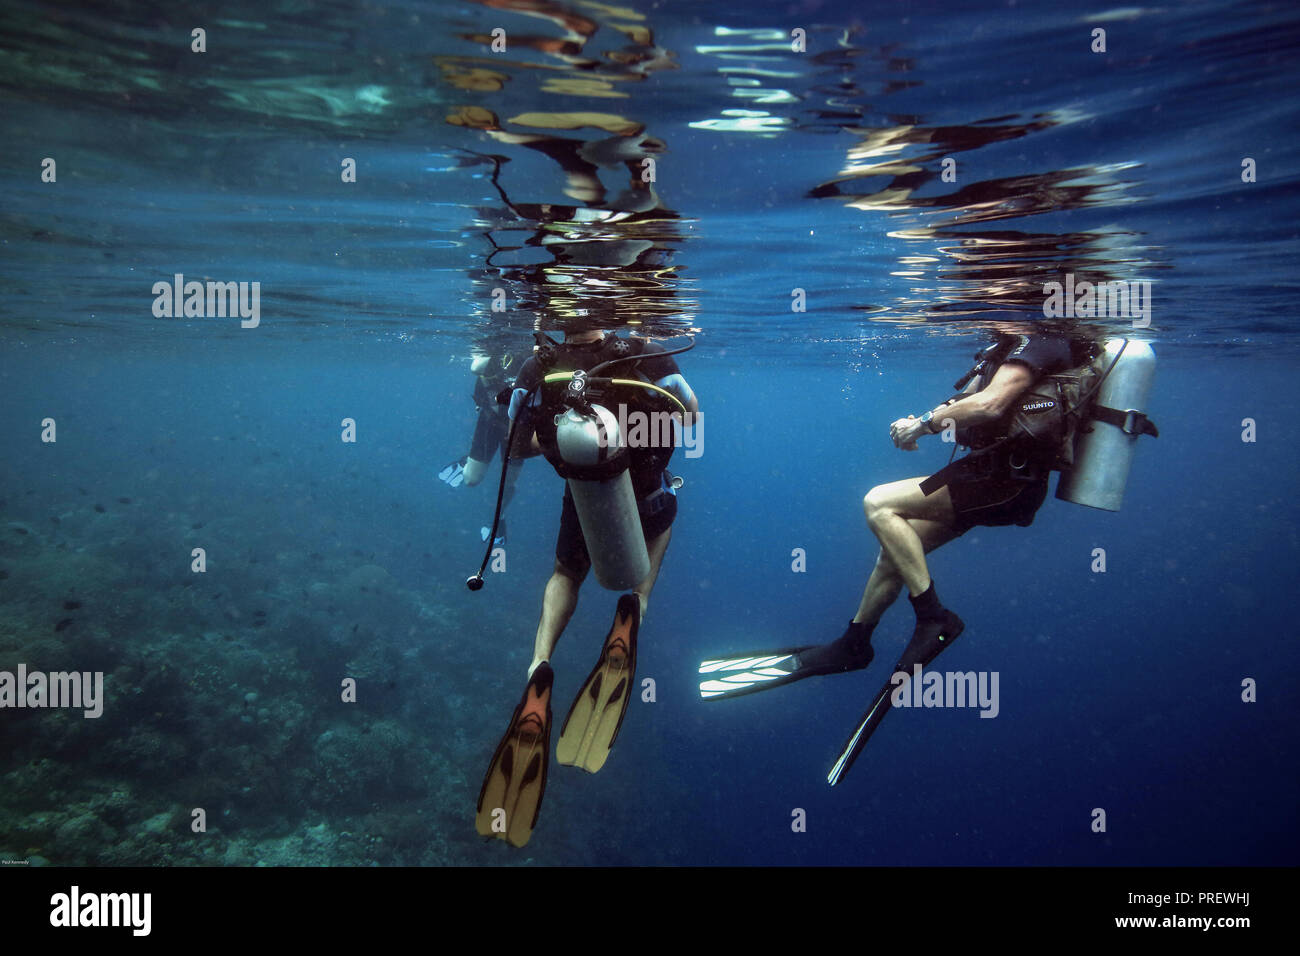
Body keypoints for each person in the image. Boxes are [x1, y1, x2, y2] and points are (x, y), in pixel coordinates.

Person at [698, 322, 1081, 780]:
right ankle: (854, 644)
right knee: (898, 550)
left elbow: (994, 402)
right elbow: (975, 402)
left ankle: (933, 617)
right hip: (990, 475)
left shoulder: (1041, 342)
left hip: (1005, 483)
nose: (981, 294)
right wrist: (930, 417)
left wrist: (924, 423)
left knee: (878, 503)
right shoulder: (1008, 344)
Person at [475, 326, 699, 847]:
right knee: (665, 519)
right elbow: (689, 412)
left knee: (563, 572)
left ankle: (540, 660)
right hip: (644, 484)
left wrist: (560, 436)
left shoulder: (539, 365)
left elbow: (516, 444)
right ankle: (635, 605)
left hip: (583, 493)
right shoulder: (643, 349)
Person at [438, 351, 524, 546]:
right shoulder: (499, 347)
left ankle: (498, 517)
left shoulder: (536, 352)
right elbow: (476, 366)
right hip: (491, 420)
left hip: (519, 426)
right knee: (471, 480)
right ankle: (465, 462)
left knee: (508, 482)